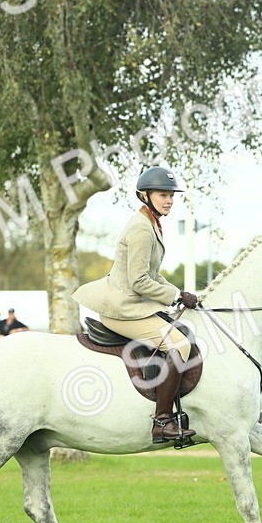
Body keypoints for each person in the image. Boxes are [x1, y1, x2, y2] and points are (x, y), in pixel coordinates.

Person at [72, 166, 200, 442]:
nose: (169, 201)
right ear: (145, 195)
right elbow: (140, 282)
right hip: (122, 308)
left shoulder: (151, 223)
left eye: (171, 196)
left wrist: (179, 291)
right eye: (163, 195)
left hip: (131, 304)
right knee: (180, 344)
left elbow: (154, 275)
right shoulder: (142, 228)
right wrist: (176, 297)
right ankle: (162, 422)